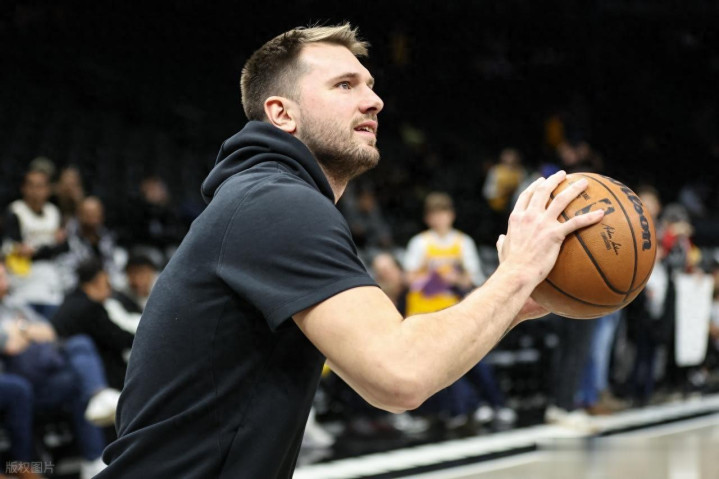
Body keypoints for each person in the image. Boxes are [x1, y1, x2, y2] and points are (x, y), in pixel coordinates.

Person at [98, 24, 604, 478]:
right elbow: (400, 375)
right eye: (345, 85)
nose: (374, 100)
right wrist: (515, 274)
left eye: (370, 85)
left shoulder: (263, 197)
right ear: (282, 113)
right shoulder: (276, 203)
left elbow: (380, 373)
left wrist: (511, 303)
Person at [0, 263, 117, 479]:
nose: (4, 281)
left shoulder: (15, 305)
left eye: (4, 276)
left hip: (47, 370)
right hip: (21, 378)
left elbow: (49, 332)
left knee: (80, 344)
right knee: (79, 380)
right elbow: (10, 346)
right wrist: (28, 332)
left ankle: (97, 397)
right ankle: (92, 456)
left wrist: (20, 330)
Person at [51, 259, 135, 391]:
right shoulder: (89, 309)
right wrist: (141, 339)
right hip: (87, 371)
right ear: (96, 283)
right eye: (107, 284)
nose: (110, 289)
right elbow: (116, 337)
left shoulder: (70, 300)